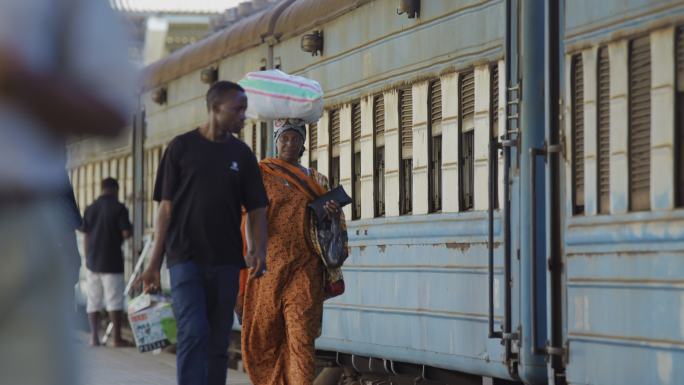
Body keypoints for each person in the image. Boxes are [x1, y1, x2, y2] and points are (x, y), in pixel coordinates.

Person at [0, 0, 134, 384]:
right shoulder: (100, 207)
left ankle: (95, 336)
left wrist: (18, 78)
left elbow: (113, 109)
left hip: (19, 226)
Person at [137, 81, 269, 385]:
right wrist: (154, 263)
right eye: (238, 109)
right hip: (185, 257)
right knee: (194, 330)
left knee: (217, 342)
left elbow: (258, 208)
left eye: (245, 110)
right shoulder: (181, 148)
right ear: (214, 108)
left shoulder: (242, 154)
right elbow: (165, 209)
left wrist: (258, 248)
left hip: (225, 260)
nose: (243, 116)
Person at [240, 119, 343, 385]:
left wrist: (329, 214)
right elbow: (247, 214)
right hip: (267, 270)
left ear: (302, 143)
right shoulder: (262, 174)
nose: (288, 144)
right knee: (265, 339)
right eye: (283, 139)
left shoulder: (316, 179)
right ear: (276, 141)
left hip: (304, 269)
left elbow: (333, 225)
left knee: (301, 338)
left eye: (294, 139)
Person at [80, 177, 133, 347]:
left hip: (93, 261)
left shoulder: (90, 208)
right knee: (114, 300)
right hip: (112, 261)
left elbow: (86, 235)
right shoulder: (119, 208)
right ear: (116, 189)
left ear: (101, 189)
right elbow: (126, 233)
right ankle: (116, 339)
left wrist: (88, 258)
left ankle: (94, 338)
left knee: (93, 300)